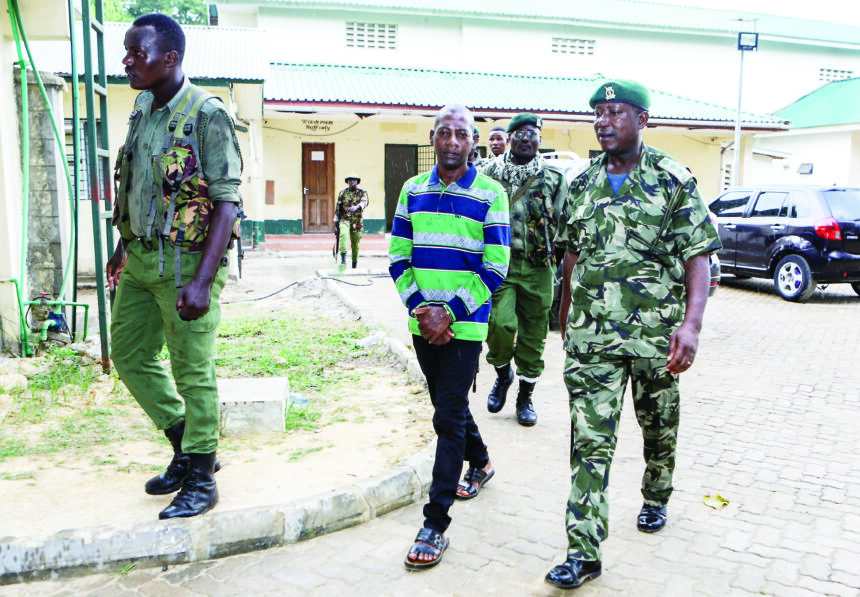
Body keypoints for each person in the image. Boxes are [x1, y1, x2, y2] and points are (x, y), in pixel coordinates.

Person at [545, 80, 721, 590]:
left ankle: (656, 494)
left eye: (614, 112)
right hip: (592, 339)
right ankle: (583, 552)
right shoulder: (581, 183)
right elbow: (571, 254)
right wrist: (565, 315)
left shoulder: (673, 179)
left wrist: (691, 325)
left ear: (642, 119)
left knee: (658, 425)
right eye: (598, 113)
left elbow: (698, 257)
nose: (603, 122)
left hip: (654, 338)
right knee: (589, 443)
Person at [107, 13, 243, 520]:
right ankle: (186, 444)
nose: (127, 61)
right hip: (141, 258)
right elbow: (138, 183)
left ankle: (202, 480)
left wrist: (203, 282)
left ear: (170, 58)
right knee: (128, 355)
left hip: (187, 264)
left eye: (136, 53)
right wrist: (122, 245)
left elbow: (227, 204)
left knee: (193, 372)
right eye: (126, 51)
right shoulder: (143, 106)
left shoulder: (207, 115)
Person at [390, 104, 510, 570]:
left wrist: (450, 313)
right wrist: (423, 311)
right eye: (445, 133)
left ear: (473, 142)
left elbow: (495, 266)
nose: (453, 141)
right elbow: (398, 258)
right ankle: (481, 461)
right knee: (449, 406)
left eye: (462, 134)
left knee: (447, 417)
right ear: (433, 138)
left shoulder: (491, 193)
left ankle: (435, 523)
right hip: (423, 325)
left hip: (465, 327)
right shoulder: (412, 190)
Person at [480, 113, 567, 426]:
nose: (526, 139)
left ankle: (525, 395)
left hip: (539, 266)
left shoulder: (553, 177)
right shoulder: (490, 172)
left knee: (534, 332)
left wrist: (557, 261)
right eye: (519, 134)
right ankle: (503, 373)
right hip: (500, 265)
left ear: (540, 139)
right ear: (509, 139)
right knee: (499, 324)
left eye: (533, 134)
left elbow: (564, 222)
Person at [334, 174, 369, 268]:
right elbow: (338, 209)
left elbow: (364, 202)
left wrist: (357, 207)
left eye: (354, 180)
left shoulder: (362, 192)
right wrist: (335, 224)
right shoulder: (342, 193)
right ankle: (343, 261)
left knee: (355, 244)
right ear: (347, 182)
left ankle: (354, 263)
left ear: (357, 181)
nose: (352, 181)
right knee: (343, 236)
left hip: (357, 221)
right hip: (345, 219)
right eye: (350, 180)